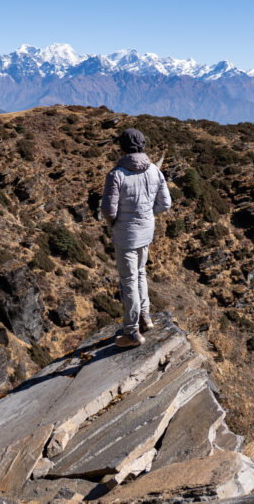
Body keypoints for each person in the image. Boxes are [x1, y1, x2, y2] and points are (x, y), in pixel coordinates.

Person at [100, 127, 172, 348]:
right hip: (146, 233)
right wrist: (147, 216)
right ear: (142, 146)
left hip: (126, 236)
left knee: (128, 281)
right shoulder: (154, 171)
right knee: (140, 273)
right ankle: (145, 317)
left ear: (122, 148)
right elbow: (166, 204)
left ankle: (132, 332)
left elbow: (108, 210)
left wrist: (116, 224)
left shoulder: (116, 174)